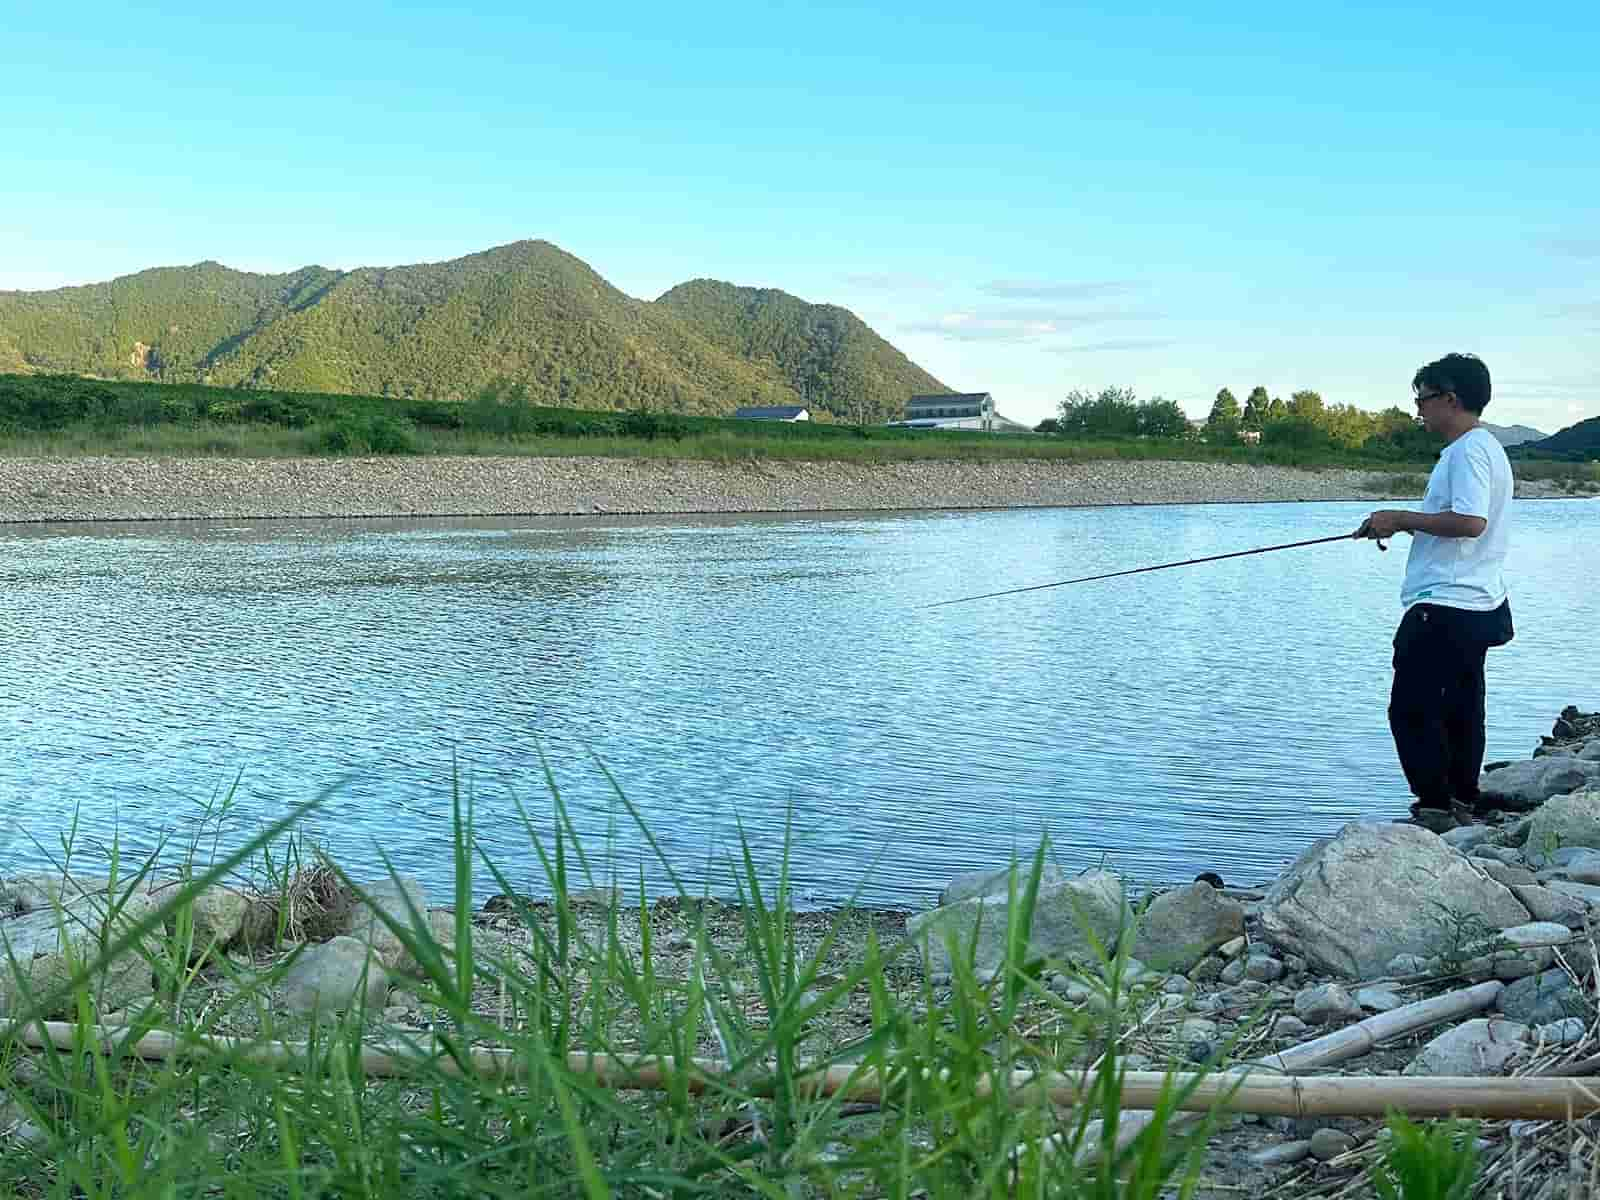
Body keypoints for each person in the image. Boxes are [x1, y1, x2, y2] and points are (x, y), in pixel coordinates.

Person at [1355, 353, 1514, 832]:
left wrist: (1400, 518)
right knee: (1462, 705)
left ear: (1450, 399)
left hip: (1446, 605)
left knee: (1413, 710)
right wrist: (1403, 524)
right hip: (1477, 602)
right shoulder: (1486, 448)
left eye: (1422, 399)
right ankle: (1462, 796)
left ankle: (1438, 807)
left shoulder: (1468, 451)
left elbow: (1470, 522)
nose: (1418, 410)